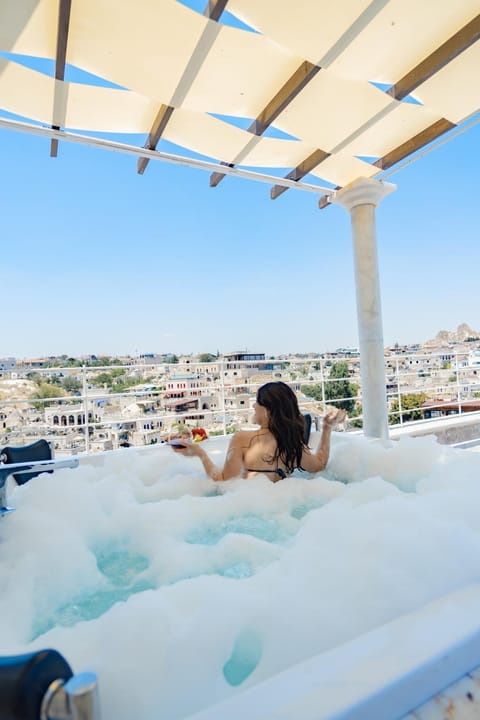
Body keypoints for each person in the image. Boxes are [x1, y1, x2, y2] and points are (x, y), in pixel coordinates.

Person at [171, 381, 346, 482]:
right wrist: (327, 428)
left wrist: (200, 453)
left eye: (257, 402)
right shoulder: (292, 444)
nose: (254, 406)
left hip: (251, 505)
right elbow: (319, 464)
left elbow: (222, 481)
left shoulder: (242, 439)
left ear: (269, 410)